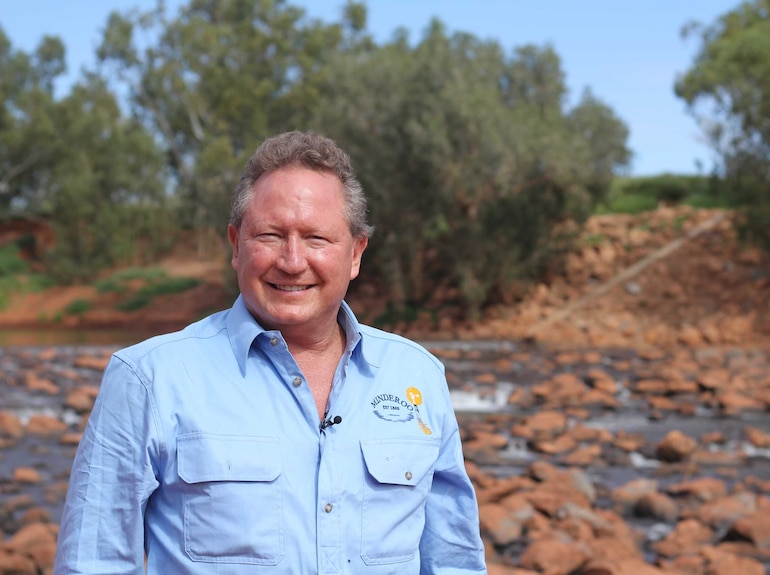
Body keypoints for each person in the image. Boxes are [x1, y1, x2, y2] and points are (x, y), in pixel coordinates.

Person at [54, 131, 488, 574]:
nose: (293, 260)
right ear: (235, 245)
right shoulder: (148, 379)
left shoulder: (418, 376)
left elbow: (454, 562)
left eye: (317, 238)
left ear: (356, 254)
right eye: (270, 235)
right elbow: (93, 563)